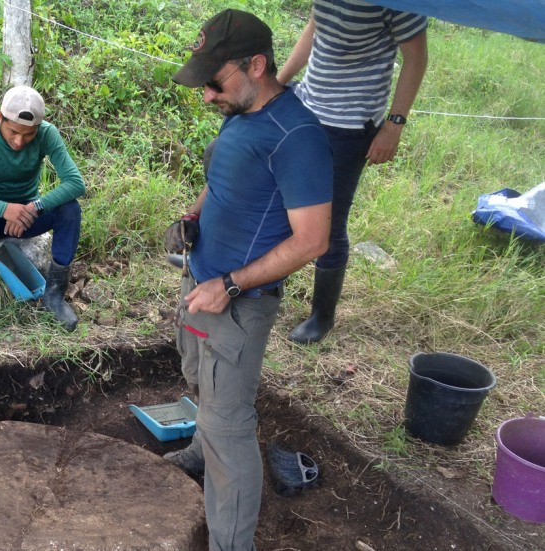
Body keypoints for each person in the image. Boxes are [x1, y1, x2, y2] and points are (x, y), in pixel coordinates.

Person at [165, 9, 333, 550]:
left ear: (256, 65)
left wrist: (231, 284)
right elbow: (221, 181)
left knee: (229, 429)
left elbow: (312, 240)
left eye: (214, 82)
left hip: (238, 302)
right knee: (197, 376)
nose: (207, 95)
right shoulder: (242, 111)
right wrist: (192, 217)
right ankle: (197, 448)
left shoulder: (298, 137)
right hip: (203, 282)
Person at [277, 0, 428, 344]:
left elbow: (416, 59)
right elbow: (315, 28)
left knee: (329, 221)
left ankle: (322, 317)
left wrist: (394, 125)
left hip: (348, 124)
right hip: (306, 105)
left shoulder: (397, 4)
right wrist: (277, 85)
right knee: (276, 198)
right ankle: (262, 279)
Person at [0, 85, 86, 333]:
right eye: (12, 131)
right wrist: (3, 209)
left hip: (29, 216)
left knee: (70, 210)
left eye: (29, 135)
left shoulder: (48, 134)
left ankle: (54, 296)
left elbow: (75, 183)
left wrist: (36, 207)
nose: (19, 141)